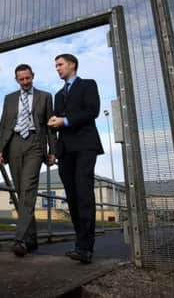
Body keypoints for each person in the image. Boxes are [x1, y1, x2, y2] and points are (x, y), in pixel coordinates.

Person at [47, 54, 104, 264]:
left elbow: (92, 111)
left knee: (83, 194)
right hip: (65, 151)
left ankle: (86, 248)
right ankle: (80, 245)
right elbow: (56, 121)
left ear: (72, 65)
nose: (58, 68)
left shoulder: (88, 85)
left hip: (85, 146)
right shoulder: (59, 95)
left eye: (60, 64)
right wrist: (52, 147)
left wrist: (66, 120)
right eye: (56, 66)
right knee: (72, 197)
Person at [0, 64, 57, 257]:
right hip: (13, 143)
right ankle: (31, 240)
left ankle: (20, 240)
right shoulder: (9, 99)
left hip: (34, 144)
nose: (25, 82)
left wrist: (52, 151)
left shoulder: (45, 97)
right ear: (16, 80)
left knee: (29, 188)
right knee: (22, 193)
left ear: (33, 76)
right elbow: (4, 123)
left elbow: (49, 127)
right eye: (21, 79)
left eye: (27, 78)